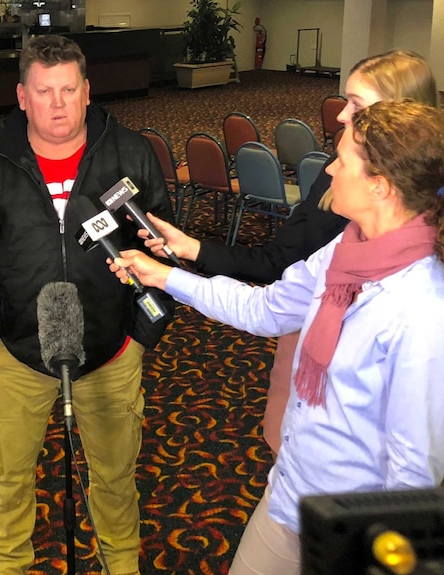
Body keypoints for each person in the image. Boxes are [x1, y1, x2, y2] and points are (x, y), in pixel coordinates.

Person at [108, 98, 444, 574]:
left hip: (357, 530)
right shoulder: (344, 251)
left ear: (381, 186)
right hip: (290, 492)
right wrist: (164, 276)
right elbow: (264, 309)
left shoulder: (424, 309)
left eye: (343, 161)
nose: (329, 171)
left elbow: (413, 477)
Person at [0, 35, 176, 575]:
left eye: (69, 89)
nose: (59, 103)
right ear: (22, 96)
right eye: (45, 91)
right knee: (10, 480)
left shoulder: (129, 153)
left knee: (116, 481)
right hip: (16, 353)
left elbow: (165, 249)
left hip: (111, 351)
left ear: (88, 90)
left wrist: (140, 337)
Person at [140, 50, 438, 454]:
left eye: (358, 105)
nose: (340, 116)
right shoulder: (342, 247)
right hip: (310, 454)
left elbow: (414, 459)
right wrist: (174, 267)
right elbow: (268, 303)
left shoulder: (420, 298)